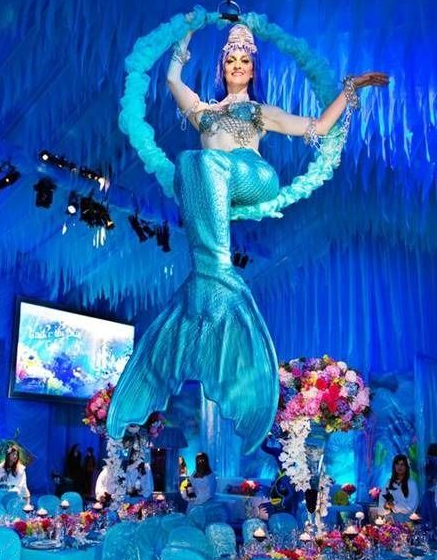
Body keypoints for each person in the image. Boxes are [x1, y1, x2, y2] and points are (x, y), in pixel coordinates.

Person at [107, 23, 388, 454]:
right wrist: (187, 33)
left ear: (252, 68)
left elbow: (316, 126)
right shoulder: (202, 111)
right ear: (222, 67)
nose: (237, 66)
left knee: (201, 162)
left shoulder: (259, 111)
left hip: (253, 176)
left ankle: (217, 278)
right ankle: (213, 288)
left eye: (244, 61)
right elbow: (169, 79)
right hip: (211, 178)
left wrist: (351, 90)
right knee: (191, 163)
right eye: (230, 60)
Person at [379, 454, 419, 518]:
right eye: (397, 464)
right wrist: (386, 506)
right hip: (390, 521)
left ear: (406, 467)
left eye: (402, 464)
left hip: (408, 521)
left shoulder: (412, 483)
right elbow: (382, 501)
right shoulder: (388, 482)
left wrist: (394, 506)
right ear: (394, 466)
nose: (399, 467)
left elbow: (412, 506)